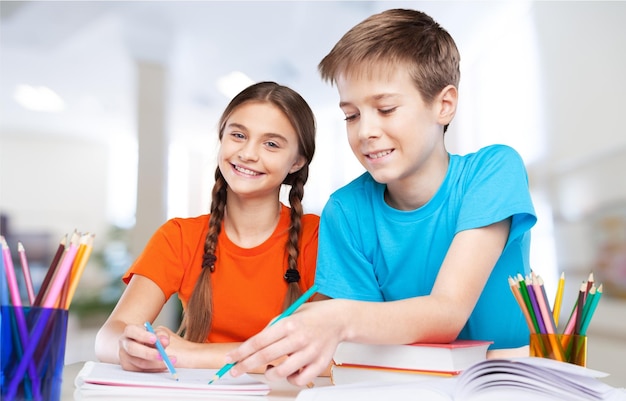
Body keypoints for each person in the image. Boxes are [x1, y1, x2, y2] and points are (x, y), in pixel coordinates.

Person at [225, 8, 537, 386]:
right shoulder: (346, 209)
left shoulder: (492, 171)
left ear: (444, 105)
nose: (365, 131)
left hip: (508, 385)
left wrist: (337, 318)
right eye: (351, 115)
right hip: (404, 385)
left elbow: (448, 312)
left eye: (385, 109)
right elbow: (367, 349)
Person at [94, 81, 318, 372]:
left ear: (297, 161)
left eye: (271, 144)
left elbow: (321, 355)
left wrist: (187, 354)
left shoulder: (318, 237)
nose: (248, 153)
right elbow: (107, 337)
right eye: (238, 135)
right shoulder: (179, 237)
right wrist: (128, 348)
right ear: (222, 138)